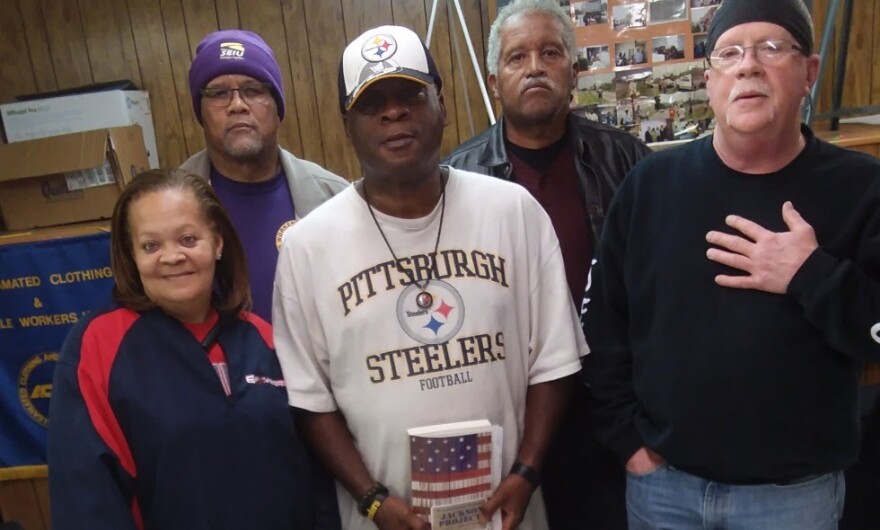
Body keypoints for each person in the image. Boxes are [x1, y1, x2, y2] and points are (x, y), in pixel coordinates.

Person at [272, 24, 588, 530]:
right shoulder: (309, 247)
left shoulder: (513, 213)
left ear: (441, 105)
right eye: (373, 104)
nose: (394, 112)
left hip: (506, 512)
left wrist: (527, 472)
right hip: (385, 517)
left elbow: (555, 361)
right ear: (348, 125)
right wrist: (372, 499)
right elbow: (311, 402)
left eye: (410, 95)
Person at [583, 1, 880, 528]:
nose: (748, 66)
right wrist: (628, 442)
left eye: (771, 48)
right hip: (663, 490)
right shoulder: (650, 186)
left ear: (809, 72)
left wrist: (811, 274)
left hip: (794, 499)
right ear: (709, 79)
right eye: (730, 53)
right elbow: (602, 325)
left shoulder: (862, 188)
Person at [443, 1, 651, 528]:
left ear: (573, 72)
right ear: (494, 81)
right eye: (517, 57)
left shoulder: (628, 161)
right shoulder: (457, 178)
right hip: (513, 407)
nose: (534, 67)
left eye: (550, 53)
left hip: (608, 402)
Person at [48, 170, 340, 530]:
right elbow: (85, 497)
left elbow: (315, 475)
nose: (172, 256)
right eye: (151, 246)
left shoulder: (263, 338)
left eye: (187, 239)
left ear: (217, 243)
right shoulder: (98, 345)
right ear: (132, 256)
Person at [182, 29, 348, 322]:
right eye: (219, 93)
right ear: (201, 113)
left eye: (253, 90)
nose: (237, 105)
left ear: (277, 107)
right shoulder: (165, 207)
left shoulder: (334, 197)